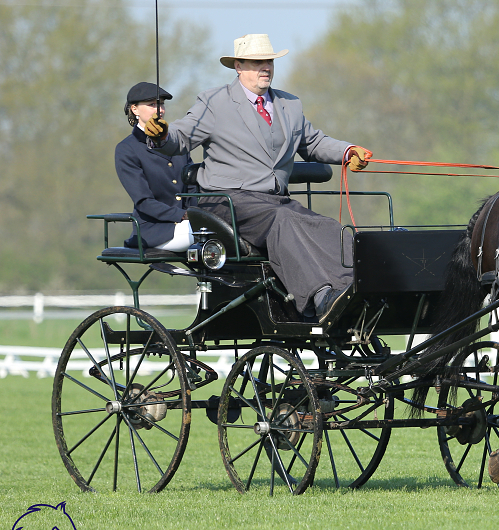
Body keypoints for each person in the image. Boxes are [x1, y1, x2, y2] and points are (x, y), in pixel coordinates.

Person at [146, 34, 370, 320]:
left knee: (324, 225)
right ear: (238, 66)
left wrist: (348, 151)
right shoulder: (214, 102)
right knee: (284, 221)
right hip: (227, 201)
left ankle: (352, 287)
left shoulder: (290, 106)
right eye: (256, 62)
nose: (265, 67)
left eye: (268, 61)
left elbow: (313, 143)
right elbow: (181, 135)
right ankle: (321, 295)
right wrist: (163, 134)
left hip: (274, 201)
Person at [115, 82, 195, 251]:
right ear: (134, 109)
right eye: (152, 105)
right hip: (154, 230)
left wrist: (196, 212)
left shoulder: (176, 144)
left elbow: (193, 186)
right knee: (205, 234)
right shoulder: (127, 149)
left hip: (189, 223)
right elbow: (144, 201)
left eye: (161, 104)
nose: (160, 110)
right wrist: (183, 215)